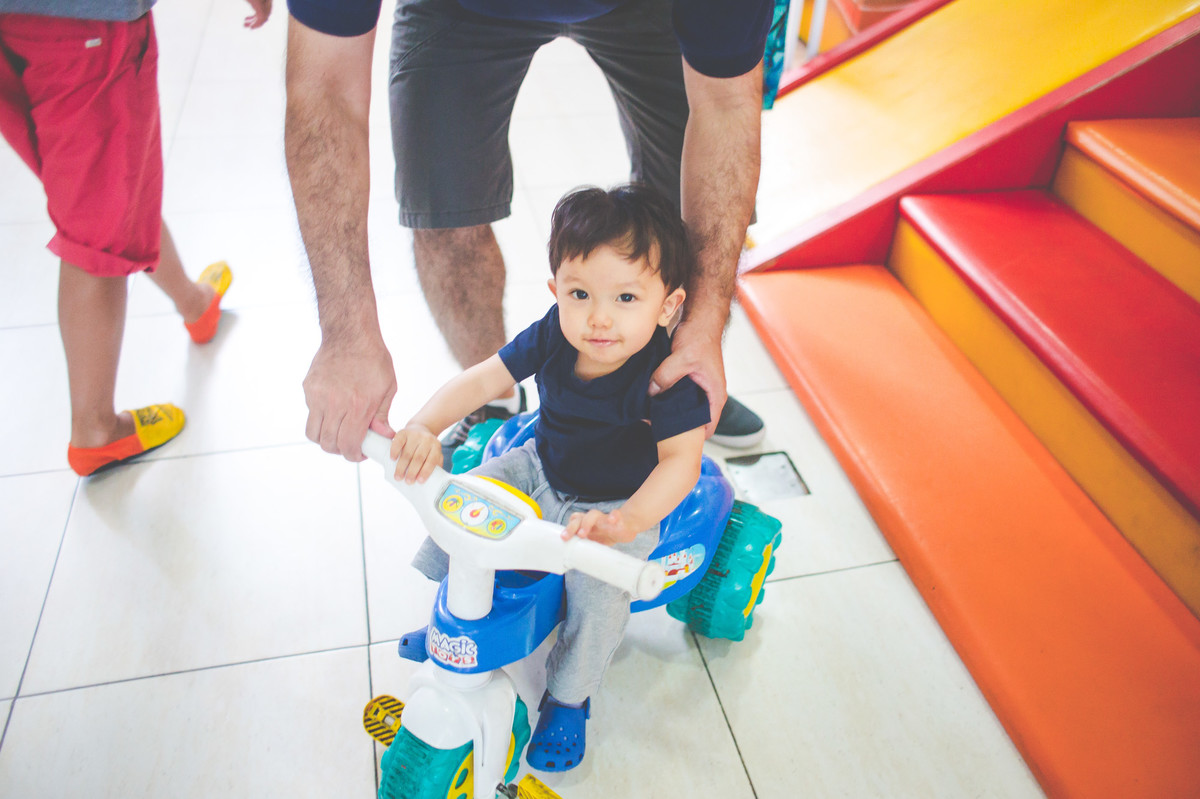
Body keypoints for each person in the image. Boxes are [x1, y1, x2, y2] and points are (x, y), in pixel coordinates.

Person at [284, 0, 773, 466]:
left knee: (681, 225)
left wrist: (702, 329)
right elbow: (325, 89)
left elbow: (726, 105)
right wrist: (346, 333)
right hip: (462, 9)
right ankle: (492, 405)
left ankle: (668, 382)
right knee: (444, 214)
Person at [389, 184, 709, 771]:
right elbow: (485, 379)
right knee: (463, 502)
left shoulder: (666, 377)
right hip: (539, 466)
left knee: (600, 595)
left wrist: (627, 521)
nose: (599, 317)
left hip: (617, 502)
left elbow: (681, 462)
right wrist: (423, 425)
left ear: (668, 306)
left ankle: (568, 697)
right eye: (580, 293)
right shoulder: (554, 335)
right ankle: (454, 622)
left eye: (626, 297)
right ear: (556, 290)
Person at [0, 0, 271, 475]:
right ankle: (95, 430)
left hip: (15, 25)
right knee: (94, 226)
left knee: (104, 190)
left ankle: (195, 304)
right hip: (84, 24)